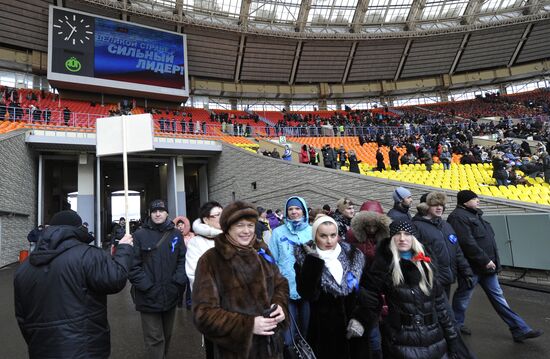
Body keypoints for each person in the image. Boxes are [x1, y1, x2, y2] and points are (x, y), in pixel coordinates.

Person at [15, 210, 134, 359]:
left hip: (41, 349)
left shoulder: (24, 269)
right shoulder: (88, 255)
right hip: (85, 349)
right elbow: (115, 279)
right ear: (78, 229)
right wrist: (124, 249)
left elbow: (22, 318)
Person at [192, 201, 289, 358]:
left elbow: (281, 283)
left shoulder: (261, 251)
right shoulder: (211, 260)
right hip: (236, 352)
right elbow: (203, 314)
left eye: (250, 225)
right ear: (227, 228)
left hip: (272, 348)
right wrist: (248, 326)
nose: (246, 231)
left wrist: (280, 305)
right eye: (240, 225)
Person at [354, 220, 459, 359]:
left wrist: (452, 336)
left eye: (407, 234)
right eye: (397, 234)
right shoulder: (384, 264)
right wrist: (360, 320)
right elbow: (370, 297)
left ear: (413, 237)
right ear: (392, 238)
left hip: (434, 338)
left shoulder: (426, 263)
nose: (402, 238)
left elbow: (440, 305)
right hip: (401, 339)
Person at [448, 190, 543, 342]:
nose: (478, 201)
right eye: (474, 198)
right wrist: (485, 260)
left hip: (486, 268)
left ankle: (519, 329)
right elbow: (467, 243)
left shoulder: (475, 215)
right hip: (472, 268)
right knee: (463, 298)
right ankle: (454, 326)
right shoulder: (457, 217)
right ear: (465, 202)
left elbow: (486, 241)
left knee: (498, 298)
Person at [294, 215, 368, 359]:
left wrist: (361, 319)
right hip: (324, 333)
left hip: (354, 332)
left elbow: (366, 294)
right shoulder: (305, 259)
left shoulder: (354, 256)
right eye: (323, 236)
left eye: (333, 235)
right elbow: (308, 294)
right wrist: (313, 262)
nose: (329, 241)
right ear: (315, 236)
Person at [129, 200, 186, 359]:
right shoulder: (139, 235)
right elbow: (132, 266)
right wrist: (146, 286)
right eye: (154, 211)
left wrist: (177, 282)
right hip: (148, 296)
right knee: (155, 338)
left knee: (167, 335)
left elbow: (183, 259)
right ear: (150, 214)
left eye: (161, 210)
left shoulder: (176, 234)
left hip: (170, 293)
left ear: (167, 213)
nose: (158, 213)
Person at [412, 192, 474, 299]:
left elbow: (457, 251)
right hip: (430, 281)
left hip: (446, 280)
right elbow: (415, 255)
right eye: (435, 205)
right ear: (425, 207)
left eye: (441, 205)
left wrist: (467, 272)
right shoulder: (416, 226)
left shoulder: (446, 226)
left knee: (445, 312)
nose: (439, 208)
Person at [268, 196, 312, 347]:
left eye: (297, 208)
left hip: (308, 290)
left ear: (304, 211)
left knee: (307, 333)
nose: (294, 212)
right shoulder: (278, 232)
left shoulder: (312, 231)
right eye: (290, 209)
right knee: (288, 337)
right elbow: (271, 260)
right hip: (286, 289)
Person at [185, 201, 223, 290]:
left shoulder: (232, 236)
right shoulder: (195, 243)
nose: (223, 217)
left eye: (223, 213)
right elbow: (194, 275)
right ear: (206, 220)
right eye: (218, 215)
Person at [173, 215, 195, 310]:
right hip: (180, 265)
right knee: (180, 285)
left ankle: (189, 303)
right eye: (178, 225)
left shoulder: (192, 236)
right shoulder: (174, 237)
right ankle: (179, 300)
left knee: (190, 285)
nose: (180, 227)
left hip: (190, 264)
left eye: (182, 224)